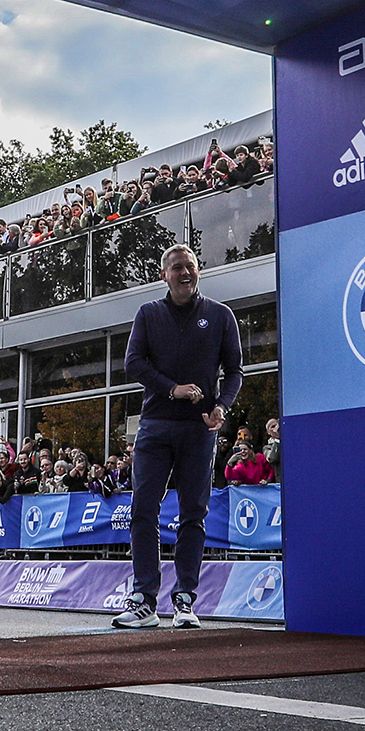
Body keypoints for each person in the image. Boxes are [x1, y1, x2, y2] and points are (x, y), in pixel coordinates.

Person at [112, 244, 242, 629]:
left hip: (199, 429)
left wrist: (223, 406)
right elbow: (133, 362)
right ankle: (144, 600)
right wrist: (172, 389)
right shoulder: (149, 314)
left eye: (191, 266)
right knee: (143, 510)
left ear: (198, 271)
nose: (185, 273)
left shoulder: (220, 315)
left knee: (193, 515)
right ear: (164, 275)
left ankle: (185, 600)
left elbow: (235, 370)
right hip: (155, 425)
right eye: (177, 267)